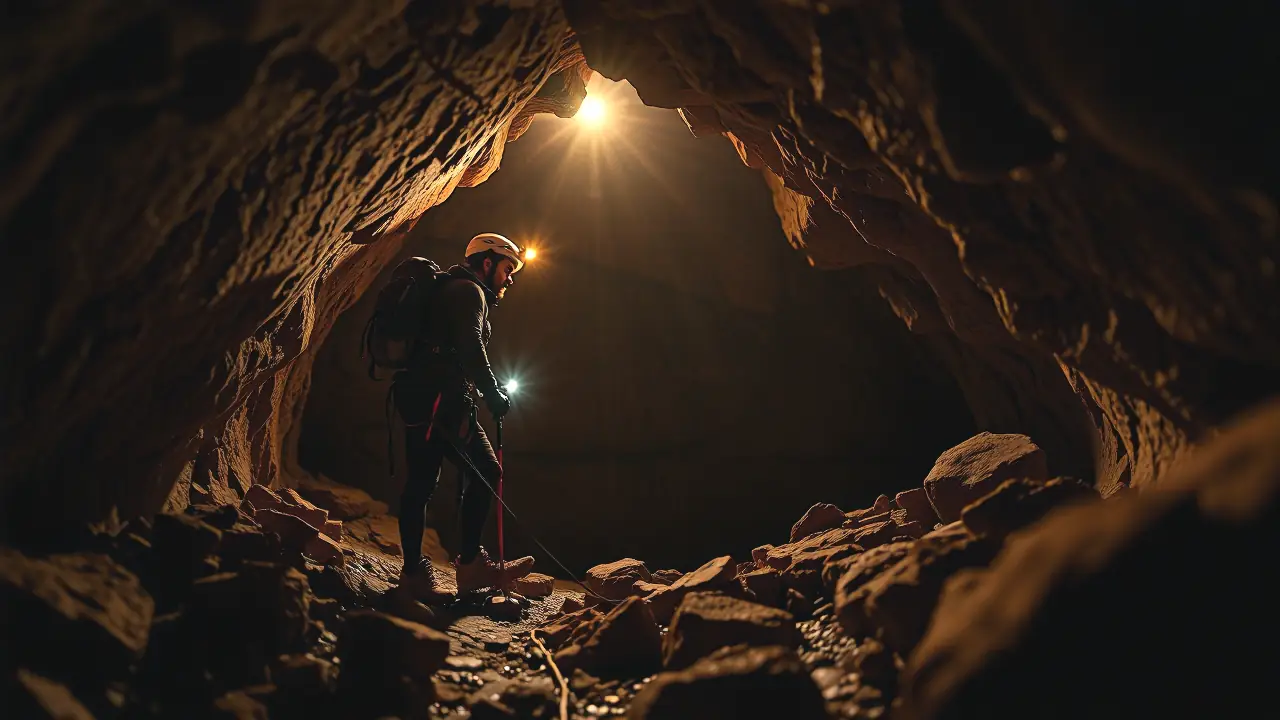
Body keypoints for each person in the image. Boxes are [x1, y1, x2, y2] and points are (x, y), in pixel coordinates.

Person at [393, 232, 535, 597]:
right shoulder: (468, 292)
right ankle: (469, 567)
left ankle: (417, 575)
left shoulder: (450, 289)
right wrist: (493, 394)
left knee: (422, 483)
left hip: (421, 396)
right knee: (485, 470)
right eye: (507, 268)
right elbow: (471, 346)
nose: (510, 277)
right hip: (442, 400)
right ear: (486, 263)